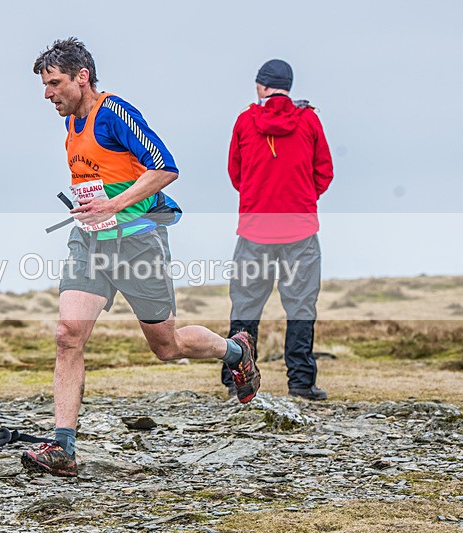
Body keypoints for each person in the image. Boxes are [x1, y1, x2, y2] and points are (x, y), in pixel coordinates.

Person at [21, 37, 260, 478]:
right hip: (90, 242)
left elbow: (166, 167)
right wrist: (96, 206)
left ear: (82, 77)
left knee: (165, 347)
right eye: (44, 85)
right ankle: (63, 448)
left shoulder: (115, 113)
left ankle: (234, 351)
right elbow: (103, 175)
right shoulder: (71, 122)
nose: (47, 94)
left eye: (54, 83)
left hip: (137, 243)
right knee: (67, 334)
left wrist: (114, 205)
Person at [222, 59, 334, 401]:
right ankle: (300, 382)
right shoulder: (309, 120)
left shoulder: (245, 121)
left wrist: (260, 199)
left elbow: (235, 174)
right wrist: (299, 199)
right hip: (299, 229)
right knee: (301, 305)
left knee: (245, 306)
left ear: (261, 86)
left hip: (255, 228)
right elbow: (325, 172)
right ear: (288, 85)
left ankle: (235, 382)